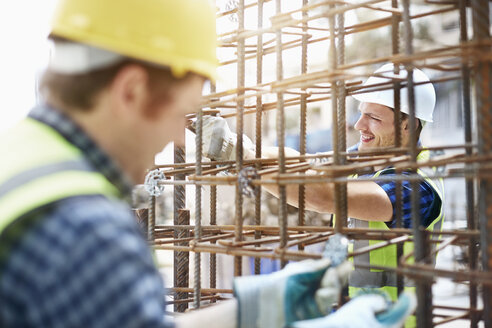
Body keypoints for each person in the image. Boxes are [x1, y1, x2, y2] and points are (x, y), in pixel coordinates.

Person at [0, 0, 416, 327]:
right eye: (180, 114)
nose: (179, 137)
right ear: (131, 91)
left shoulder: (23, 160)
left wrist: (251, 311)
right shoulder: (88, 228)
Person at [200, 63, 444, 327]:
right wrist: (240, 149)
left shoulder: (418, 186)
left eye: (373, 117)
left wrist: (245, 158)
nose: (358, 124)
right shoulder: (362, 159)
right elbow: (297, 165)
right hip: (347, 315)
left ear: (408, 125)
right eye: (361, 113)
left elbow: (322, 195)